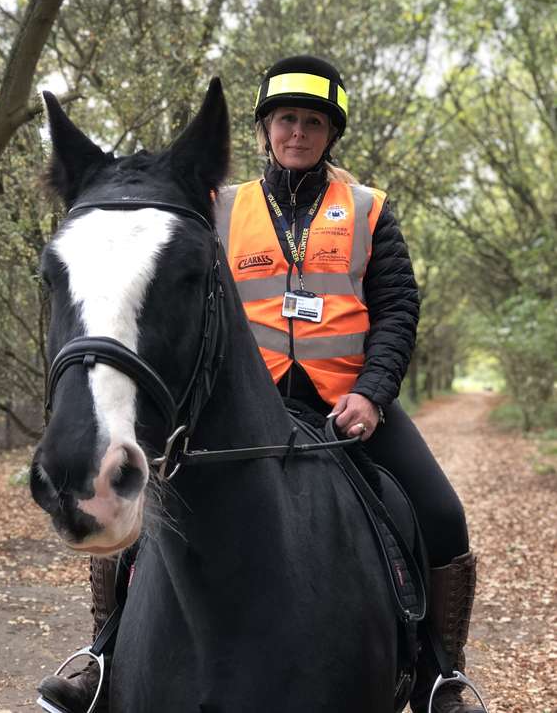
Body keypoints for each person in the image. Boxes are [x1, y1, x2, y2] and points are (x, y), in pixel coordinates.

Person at [38, 56, 482, 713]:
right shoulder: (215, 210)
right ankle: (102, 651)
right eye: (284, 120)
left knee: (440, 515)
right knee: (133, 510)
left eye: (310, 122)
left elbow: (396, 309)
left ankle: (442, 672)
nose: (296, 133)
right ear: (264, 129)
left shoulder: (367, 211)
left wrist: (371, 392)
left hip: (343, 406)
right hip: (237, 406)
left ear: (329, 134)